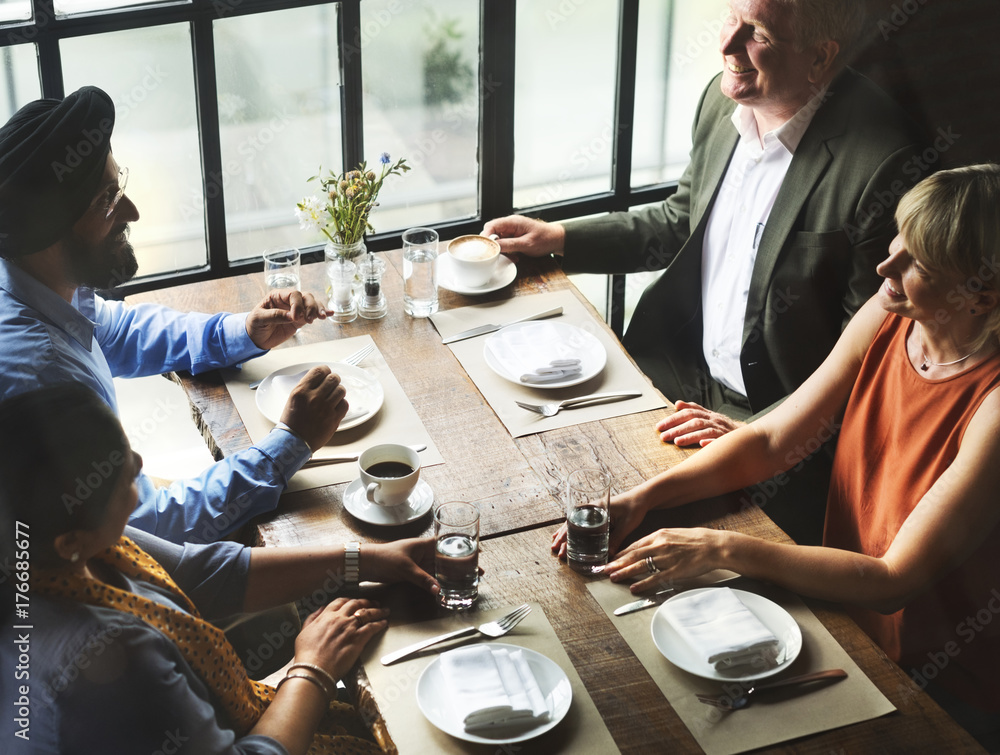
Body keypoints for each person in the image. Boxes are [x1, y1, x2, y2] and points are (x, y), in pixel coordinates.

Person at [555, 164, 1000, 749]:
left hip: (940, 679)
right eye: (898, 240)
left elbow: (895, 580)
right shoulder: (889, 315)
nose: (886, 266)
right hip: (839, 610)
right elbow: (772, 441)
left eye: (918, 263)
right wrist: (641, 499)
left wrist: (721, 546)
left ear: (981, 295)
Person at [486, 0, 927, 544]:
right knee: (533, 476)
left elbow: (871, 356)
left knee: (651, 568)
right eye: (730, 18)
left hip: (773, 429)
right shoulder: (724, 102)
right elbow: (682, 221)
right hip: (673, 377)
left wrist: (755, 432)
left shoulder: (885, 164)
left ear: (820, 56)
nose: (727, 44)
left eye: (757, 32)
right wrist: (560, 239)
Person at [0, 383, 440, 754]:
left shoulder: (53, 546)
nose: (136, 463)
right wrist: (314, 669)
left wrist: (364, 559)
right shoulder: (106, 661)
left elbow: (203, 573)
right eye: (117, 470)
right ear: (70, 541)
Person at [0, 85, 341, 544]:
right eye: (107, 199)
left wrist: (243, 331)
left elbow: (119, 331)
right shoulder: (44, 376)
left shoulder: (31, 282)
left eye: (119, 186)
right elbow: (148, 526)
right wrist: (291, 444)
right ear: (50, 231)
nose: (132, 211)